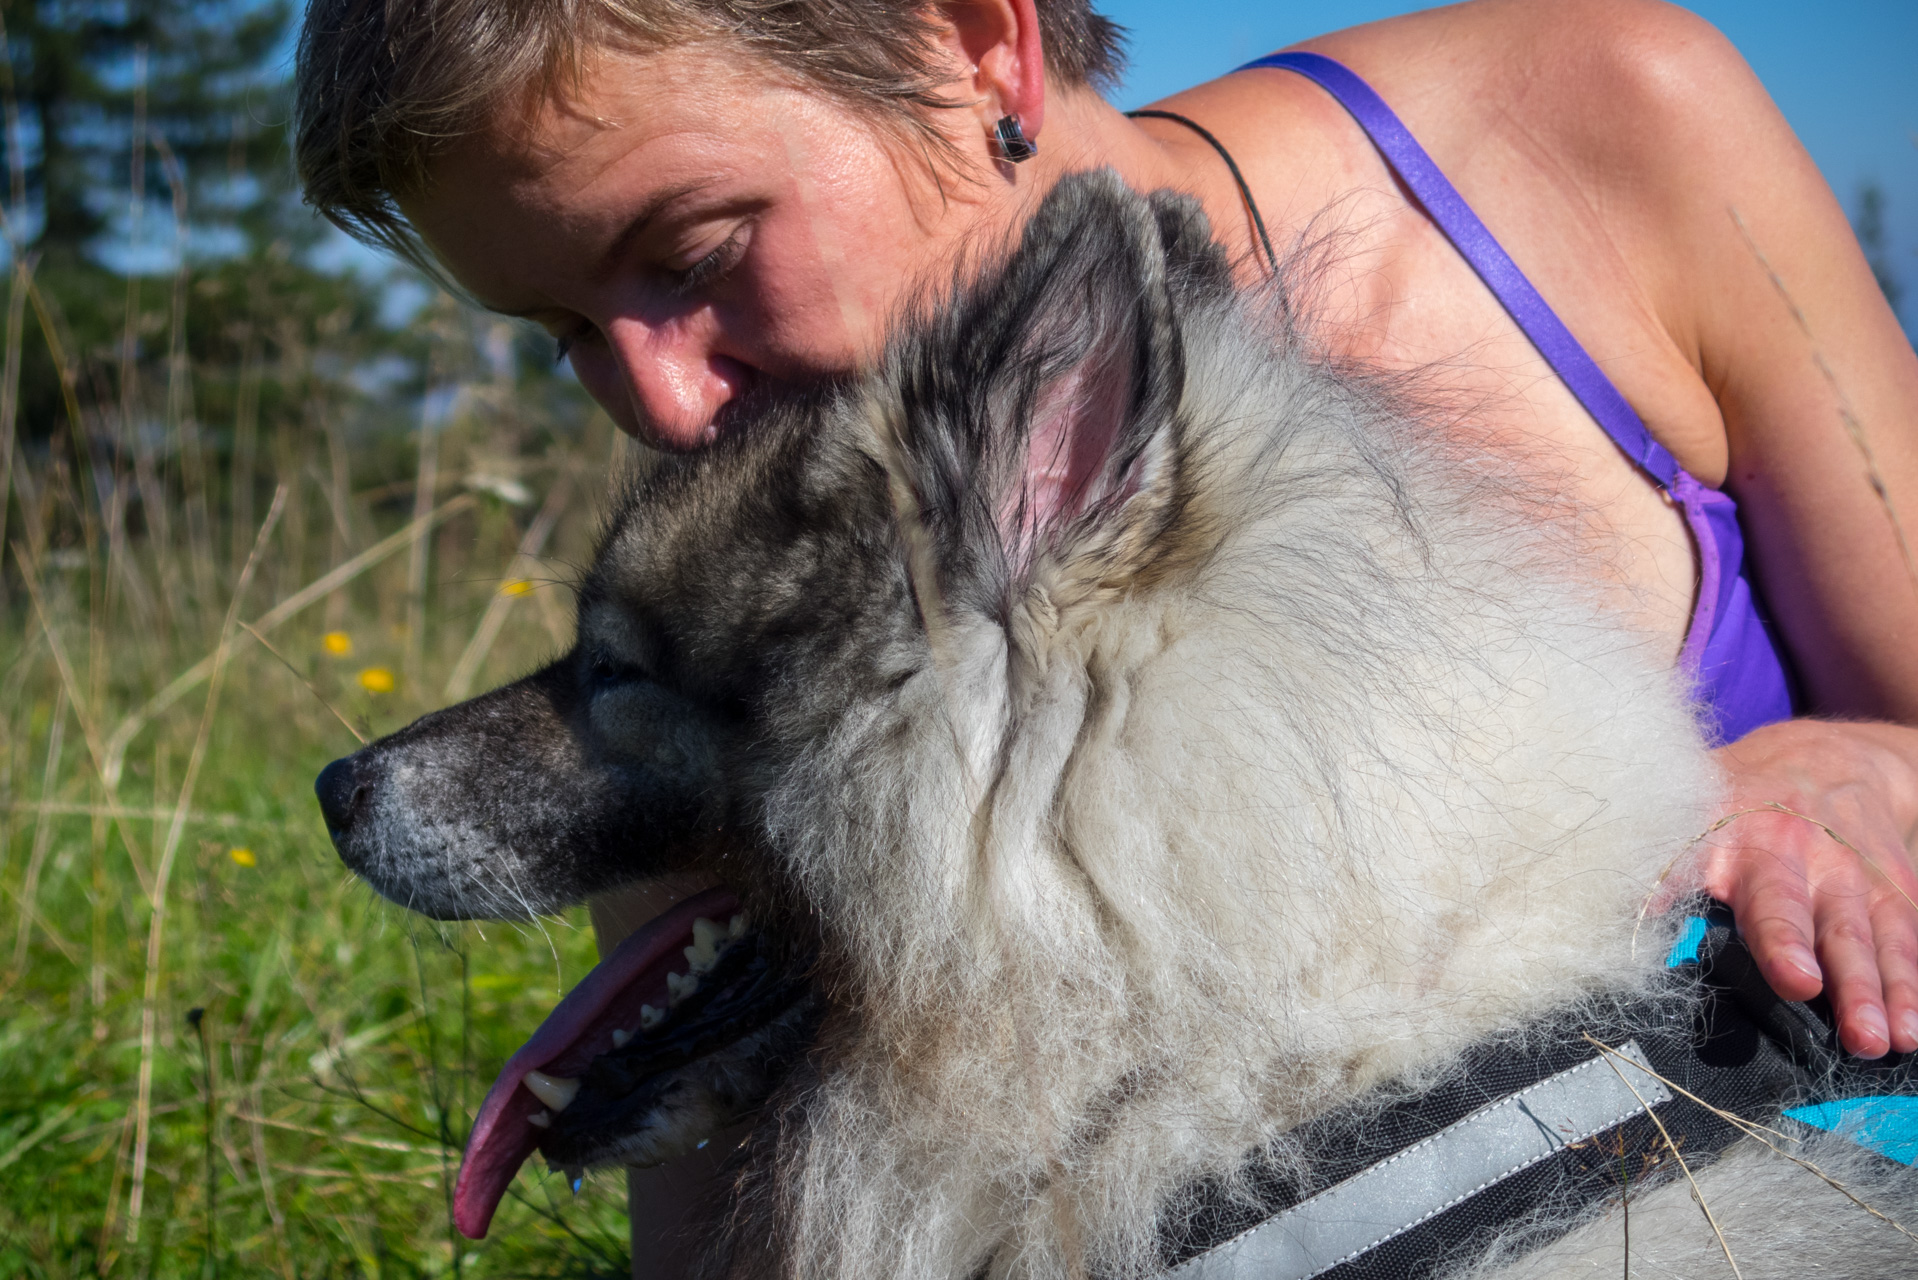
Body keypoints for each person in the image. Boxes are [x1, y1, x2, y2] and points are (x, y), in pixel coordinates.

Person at [294, 0, 1918, 1263]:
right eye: (567, 330)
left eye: (695, 249)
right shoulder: (781, 602)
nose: (660, 401)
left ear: (976, 39)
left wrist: (1837, 756)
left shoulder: (1597, 119)